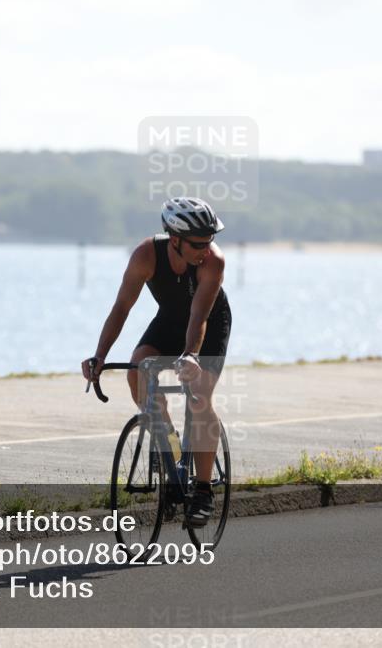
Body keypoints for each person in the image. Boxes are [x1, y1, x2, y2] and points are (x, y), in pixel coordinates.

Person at [82, 197, 232, 528]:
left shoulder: (213, 262)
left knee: (199, 395)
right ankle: (171, 446)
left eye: (209, 240)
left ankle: (203, 490)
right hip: (170, 320)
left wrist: (190, 356)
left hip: (209, 323)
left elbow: (199, 317)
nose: (206, 248)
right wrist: (99, 355)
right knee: (138, 370)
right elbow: (122, 307)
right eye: (197, 243)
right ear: (174, 239)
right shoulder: (145, 256)